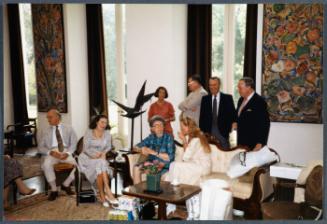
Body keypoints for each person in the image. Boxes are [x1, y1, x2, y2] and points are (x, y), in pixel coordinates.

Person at [78, 115, 118, 207]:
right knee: (101, 162)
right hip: (87, 158)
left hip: (100, 158)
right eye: (102, 122)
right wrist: (93, 156)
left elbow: (108, 146)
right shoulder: (89, 132)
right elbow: (85, 149)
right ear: (96, 122)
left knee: (100, 166)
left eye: (106, 122)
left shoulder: (107, 133)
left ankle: (103, 196)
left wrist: (104, 152)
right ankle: (108, 191)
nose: (104, 124)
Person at [38, 109, 77, 201]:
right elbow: (40, 147)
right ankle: (54, 189)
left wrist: (67, 153)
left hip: (66, 151)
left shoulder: (69, 128)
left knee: (78, 166)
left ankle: (66, 184)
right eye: (47, 117)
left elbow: (74, 144)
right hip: (52, 152)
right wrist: (50, 152)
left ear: (57, 117)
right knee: (46, 164)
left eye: (50, 117)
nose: (48, 119)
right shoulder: (45, 130)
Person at [166, 114, 211, 185]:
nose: (181, 129)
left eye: (182, 128)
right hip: (194, 164)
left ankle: (172, 187)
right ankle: (172, 187)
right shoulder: (188, 137)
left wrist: (183, 140)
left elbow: (186, 157)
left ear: (190, 126)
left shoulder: (197, 138)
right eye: (181, 127)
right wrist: (184, 139)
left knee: (176, 166)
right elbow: (186, 155)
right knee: (173, 166)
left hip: (203, 167)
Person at [132, 115, 175, 184]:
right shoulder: (151, 137)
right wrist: (142, 149)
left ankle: (152, 190)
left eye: (160, 125)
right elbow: (135, 147)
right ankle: (137, 193)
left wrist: (153, 152)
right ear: (152, 129)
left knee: (153, 169)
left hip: (164, 165)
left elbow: (170, 157)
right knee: (136, 168)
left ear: (164, 127)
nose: (158, 127)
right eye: (155, 125)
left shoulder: (169, 138)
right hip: (151, 164)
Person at [199, 77, 237, 149]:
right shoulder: (205, 99)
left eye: (214, 85)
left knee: (224, 153)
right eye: (210, 85)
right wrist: (203, 132)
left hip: (223, 132)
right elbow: (202, 117)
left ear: (219, 85)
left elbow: (233, 115)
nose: (212, 87)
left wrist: (231, 128)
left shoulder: (228, 98)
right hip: (208, 132)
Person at [236, 77, 270, 151]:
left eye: (240, 88)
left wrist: (260, 142)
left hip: (253, 142)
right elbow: (239, 117)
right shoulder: (240, 100)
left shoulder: (259, 101)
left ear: (249, 87)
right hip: (241, 142)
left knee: (253, 162)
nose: (238, 90)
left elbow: (265, 123)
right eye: (238, 87)